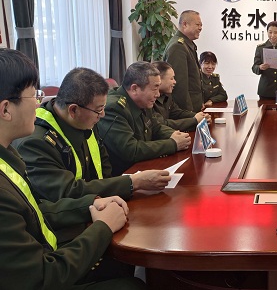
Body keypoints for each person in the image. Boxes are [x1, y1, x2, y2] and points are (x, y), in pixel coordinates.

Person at [0, 48, 152, 290]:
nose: (39, 103)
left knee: (116, 265)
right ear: (6, 109)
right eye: (34, 96)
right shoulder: (28, 148)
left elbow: (35, 211)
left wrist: (90, 204)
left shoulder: (7, 155)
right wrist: (102, 228)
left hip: (33, 267)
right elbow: (40, 281)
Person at [13, 67, 171, 206]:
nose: (102, 115)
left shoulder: (84, 120)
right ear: (73, 110)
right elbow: (67, 191)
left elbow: (104, 165)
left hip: (100, 203)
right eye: (99, 109)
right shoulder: (35, 142)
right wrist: (132, 183)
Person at [97, 61, 191, 176]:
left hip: (142, 167)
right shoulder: (114, 108)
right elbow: (131, 150)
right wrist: (172, 144)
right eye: (154, 88)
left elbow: (155, 127)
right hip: (124, 176)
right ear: (134, 89)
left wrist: (174, 135)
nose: (158, 94)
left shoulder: (143, 101)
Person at [163, 9, 204, 111]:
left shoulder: (186, 44)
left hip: (194, 108)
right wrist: (189, 113)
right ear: (185, 24)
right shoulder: (178, 47)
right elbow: (180, 87)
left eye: (201, 25)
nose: (200, 28)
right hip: (187, 111)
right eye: (197, 25)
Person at [153, 61, 208, 131]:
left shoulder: (166, 95)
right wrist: (194, 120)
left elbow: (177, 113)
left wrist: (200, 116)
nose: (175, 82)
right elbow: (162, 124)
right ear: (159, 79)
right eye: (172, 78)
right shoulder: (149, 100)